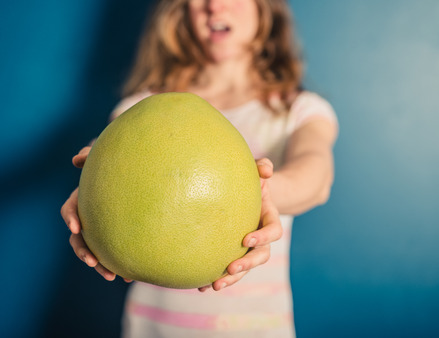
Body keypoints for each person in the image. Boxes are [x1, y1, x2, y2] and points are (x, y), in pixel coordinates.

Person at [61, 0, 338, 336]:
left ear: (264, 9)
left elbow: (316, 174)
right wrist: (89, 193)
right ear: (182, 13)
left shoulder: (296, 109)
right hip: (151, 327)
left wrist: (256, 194)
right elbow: (106, 163)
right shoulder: (138, 108)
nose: (215, 5)